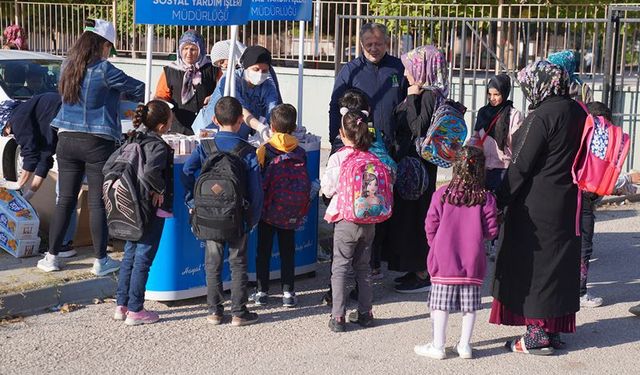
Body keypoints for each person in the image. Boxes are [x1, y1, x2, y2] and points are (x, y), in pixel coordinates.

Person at [490, 60, 586, 355]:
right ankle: (553, 329)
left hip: (536, 203)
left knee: (535, 264)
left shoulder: (541, 115)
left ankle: (537, 333)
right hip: (568, 199)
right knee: (558, 262)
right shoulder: (576, 111)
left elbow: (520, 165)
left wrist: (500, 199)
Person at [36, 19, 145, 275]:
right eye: (110, 47)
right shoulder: (106, 70)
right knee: (97, 202)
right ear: (103, 44)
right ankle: (100, 261)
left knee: (65, 200)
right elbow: (139, 88)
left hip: (66, 139)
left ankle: (51, 257)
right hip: (97, 142)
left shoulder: (67, 65)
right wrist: (118, 95)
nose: (110, 52)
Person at [182, 96, 263, 327]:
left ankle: (214, 311)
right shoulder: (247, 151)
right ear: (241, 121)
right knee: (238, 263)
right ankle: (239, 312)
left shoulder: (205, 147)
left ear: (215, 120)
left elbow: (187, 172)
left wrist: (192, 202)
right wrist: (253, 218)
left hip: (208, 215)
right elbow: (256, 190)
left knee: (212, 262)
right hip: (238, 216)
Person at [415, 146, 498, 360]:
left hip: (443, 259)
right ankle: (464, 345)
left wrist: (436, 245)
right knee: (469, 307)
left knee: (440, 305)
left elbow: (430, 224)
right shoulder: (486, 198)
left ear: (455, 166)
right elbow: (491, 231)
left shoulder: (442, 194)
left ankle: (438, 345)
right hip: (472, 260)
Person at [386, 45, 445, 293]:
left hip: (419, 170)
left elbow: (418, 127)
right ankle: (414, 268)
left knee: (417, 218)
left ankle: (423, 272)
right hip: (411, 167)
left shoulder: (429, 95)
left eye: (411, 69)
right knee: (409, 218)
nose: (407, 74)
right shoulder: (425, 93)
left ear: (423, 69)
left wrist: (411, 97)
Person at [113, 100, 173, 326]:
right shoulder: (157, 144)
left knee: (130, 253)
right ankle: (136, 309)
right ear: (161, 126)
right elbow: (150, 172)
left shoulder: (133, 137)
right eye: (169, 118)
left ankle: (122, 304)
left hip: (130, 204)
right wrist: (158, 189)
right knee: (144, 257)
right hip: (148, 207)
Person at [321, 109, 376, 332]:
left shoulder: (338, 158)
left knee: (341, 267)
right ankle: (366, 313)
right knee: (363, 268)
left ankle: (338, 317)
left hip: (345, 220)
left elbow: (327, 188)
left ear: (342, 134)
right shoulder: (372, 157)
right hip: (369, 219)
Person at [251, 104, 305, 308]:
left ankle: (262, 291)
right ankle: (288, 292)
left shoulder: (265, 149)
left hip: (268, 210)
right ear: (293, 127)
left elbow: (258, 178)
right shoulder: (300, 151)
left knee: (263, 250)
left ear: (271, 127)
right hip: (291, 211)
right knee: (287, 251)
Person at [329, 22, 406, 153]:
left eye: (378, 44)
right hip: (360, 146)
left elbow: (408, 104)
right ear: (361, 44)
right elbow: (336, 107)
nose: (373, 48)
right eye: (369, 44)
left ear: (386, 42)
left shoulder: (399, 68)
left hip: (393, 147)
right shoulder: (351, 71)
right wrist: (335, 140)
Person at [470, 74, 524, 261]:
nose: (492, 98)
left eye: (497, 94)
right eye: (489, 94)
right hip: (484, 167)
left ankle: (497, 243)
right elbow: (476, 136)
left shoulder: (514, 115)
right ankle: (485, 240)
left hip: (504, 168)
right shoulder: (483, 113)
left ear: (505, 93)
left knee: (500, 207)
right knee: (483, 205)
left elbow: (518, 144)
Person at [192, 45, 281, 139]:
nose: (260, 74)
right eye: (256, 69)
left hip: (239, 132)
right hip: (211, 129)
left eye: (264, 71)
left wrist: (274, 128)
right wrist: (260, 127)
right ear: (246, 67)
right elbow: (240, 109)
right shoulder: (230, 80)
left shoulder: (268, 86)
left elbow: (272, 110)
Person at [154, 30, 218, 135]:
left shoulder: (213, 70)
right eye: (185, 48)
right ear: (180, 50)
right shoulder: (170, 71)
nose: (188, 53)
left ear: (200, 50)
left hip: (207, 128)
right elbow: (161, 96)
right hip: (179, 128)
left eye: (193, 49)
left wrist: (213, 96)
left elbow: (223, 91)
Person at [0, 93, 60, 197]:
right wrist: (30, 193)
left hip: (64, 114)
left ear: (6, 123)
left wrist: (19, 184)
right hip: (69, 115)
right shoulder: (33, 120)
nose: (6, 135)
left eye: (3, 132)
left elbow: (30, 154)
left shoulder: (18, 121)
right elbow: (45, 158)